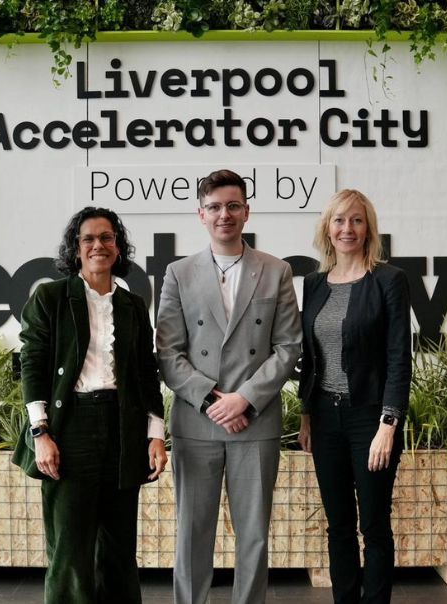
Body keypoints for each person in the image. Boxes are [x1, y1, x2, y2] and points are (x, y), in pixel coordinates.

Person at [156, 169, 302, 604]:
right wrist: (209, 400)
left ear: (246, 211)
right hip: (196, 424)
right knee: (192, 532)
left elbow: (288, 346)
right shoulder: (178, 273)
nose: (225, 215)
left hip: (254, 423)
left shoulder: (276, 271)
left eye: (233, 206)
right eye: (215, 207)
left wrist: (244, 400)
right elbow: (168, 351)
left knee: (254, 534)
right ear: (201, 214)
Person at [12, 207, 168, 604]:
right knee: (70, 547)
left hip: (123, 429)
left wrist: (155, 435)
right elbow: (31, 362)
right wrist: (40, 432)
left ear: (118, 247)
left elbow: (146, 372)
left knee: (118, 550)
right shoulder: (51, 297)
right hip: (70, 427)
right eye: (88, 239)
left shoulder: (133, 305)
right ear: (76, 249)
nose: (98, 245)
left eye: (107, 237)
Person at [297, 189, 412, 604]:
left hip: (371, 419)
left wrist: (388, 424)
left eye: (357, 220)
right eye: (340, 220)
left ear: (369, 228)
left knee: (375, 526)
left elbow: (400, 358)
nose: (348, 229)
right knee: (339, 525)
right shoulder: (313, 284)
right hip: (326, 419)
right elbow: (310, 359)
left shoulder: (388, 280)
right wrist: (306, 415)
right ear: (328, 228)